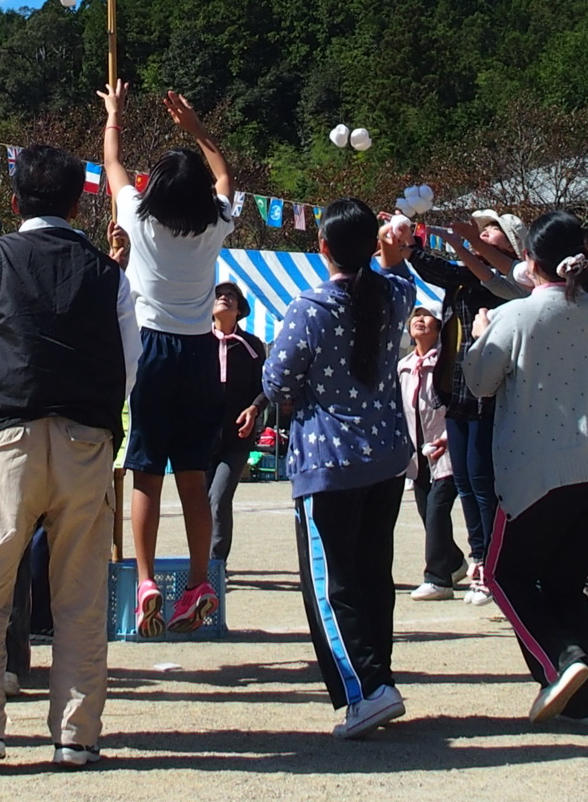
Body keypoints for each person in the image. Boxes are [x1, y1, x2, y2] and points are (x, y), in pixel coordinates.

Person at [0, 144, 136, 767]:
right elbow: (129, 366)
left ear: (15, 200)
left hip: (7, 437)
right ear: (81, 200)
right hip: (87, 440)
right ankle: (76, 737)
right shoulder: (111, 274)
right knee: (79, 594)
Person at [463, 211, 588, 725]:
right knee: (563, 582)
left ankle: (561, 661)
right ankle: (579, 701)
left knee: (502, 575)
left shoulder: (517, 317)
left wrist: (479, 333)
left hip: (541, 473)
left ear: (531, 261)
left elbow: (479, 383)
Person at [98, 81, 244, 637]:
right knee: (194, 475)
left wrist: (115, 114)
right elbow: (225, 177)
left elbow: (112, 162)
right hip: (201, 351)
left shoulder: (137, 215)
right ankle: (201, 581)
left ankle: (147, 581)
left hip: (149, 349)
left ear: (154, 188)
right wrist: (198, 130)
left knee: (144, 473)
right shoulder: (215, 222)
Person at [266, 199, 414, 739]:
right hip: (386, 455)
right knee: (375, 572)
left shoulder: (310, 307)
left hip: (329, 458)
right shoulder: (395, 295)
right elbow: (399, 280)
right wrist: (393, 253)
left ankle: (367, 689)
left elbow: (277, 380)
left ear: (322, 246)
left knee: (332, 583)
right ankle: (381, 677)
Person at [408, 212, 530, 603]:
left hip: (488, 394)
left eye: (491, 228)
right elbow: (447, 272)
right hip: (457, 393)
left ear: (511, 244)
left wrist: (441, 244)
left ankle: (490, 566)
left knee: (483, 486)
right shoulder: (465, 274)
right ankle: (478, 560)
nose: (482, 231)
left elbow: (465, 274)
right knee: (464, 484)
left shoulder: (509, 281)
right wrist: (413, 241)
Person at [399, 303, 461, 601]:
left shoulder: (447, 362)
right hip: (417, 455)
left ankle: (438, 579)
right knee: (427, 512)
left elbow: (459, 402)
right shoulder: (404, 365)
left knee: (437, 509)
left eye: (427, 316)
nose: (420, 321)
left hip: (447, 449)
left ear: (439, 327)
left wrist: (448, 437)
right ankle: (456, 562)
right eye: (416, 316)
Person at [203, 281, 267, 569]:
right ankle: (199, 564)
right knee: (201, 503)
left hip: (237, 439)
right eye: (219, 296)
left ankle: (216, 565)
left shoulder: (252, 346)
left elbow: (267, 387)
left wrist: (254, 409)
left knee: (218, 498)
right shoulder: (198, 340)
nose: (224, 299)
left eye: (231, 296)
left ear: (240, 309)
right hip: (200, 437)